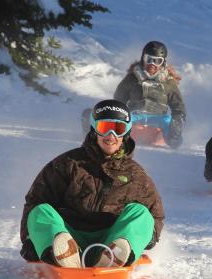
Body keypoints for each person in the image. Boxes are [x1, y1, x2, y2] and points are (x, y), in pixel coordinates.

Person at [20, 100, 164, 268]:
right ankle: (63, 252)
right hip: (70, 236)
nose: (111, 136)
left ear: (126, 133)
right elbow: (35, 200)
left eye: (118, 129)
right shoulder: (69, 163)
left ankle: (115, 254)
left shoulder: (135, 175)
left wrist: (146, 237)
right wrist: (30, 239)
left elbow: (154, 216)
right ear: (94, 130)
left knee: (140, 213)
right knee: (41, 210)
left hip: (109, 239)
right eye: (104, 128)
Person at [113, 40, 187, 148]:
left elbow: (178, 107)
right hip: (136, 117)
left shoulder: (168, 82)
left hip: (158, 119)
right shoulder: (133, 78)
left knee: (168, 121)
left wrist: (177, 125)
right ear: (143, 58)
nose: (152, 64)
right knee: (122, 120)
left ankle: (171, 139)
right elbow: (119, 100)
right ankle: (112, 135)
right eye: (149, 59)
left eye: (157, 61)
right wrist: (118, 116)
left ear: (163, 62)